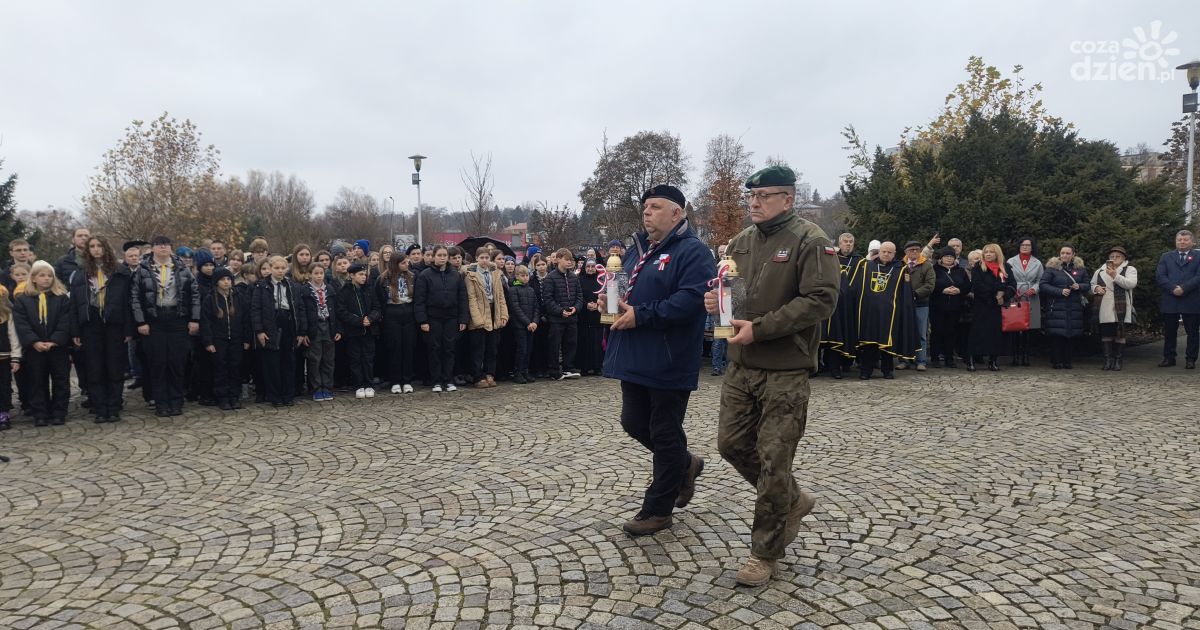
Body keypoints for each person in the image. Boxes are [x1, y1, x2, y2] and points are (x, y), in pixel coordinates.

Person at [704, 165, 840, 586]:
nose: (755, 203)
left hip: (786, 367)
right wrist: (719, 302)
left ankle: (764, 552)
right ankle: (793, 500)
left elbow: (821, 300)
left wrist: (760, 328)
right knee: (730, 444)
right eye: (751, 196)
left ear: (788, 198)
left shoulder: (811, 241)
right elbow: (736, 292)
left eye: (764, 196)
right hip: (742, 364)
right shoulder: (741, 242)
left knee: (773, 460)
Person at [604, 184, 715, 537]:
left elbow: (692, 300)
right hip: (635, 353)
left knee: (665, 434)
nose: (647, 213)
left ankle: (658, 509)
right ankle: (687, 463)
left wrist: (642, 314)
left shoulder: (694, 252)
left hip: (669, 357)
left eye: (655, 207)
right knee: (633, 422)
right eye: (645, 208)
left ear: (677, 213)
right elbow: (628, 291)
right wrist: (610, 303)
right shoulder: (638, 250)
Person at [131, 235, 201, 417]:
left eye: (166, 245)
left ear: (171, 248)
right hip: (154, 320)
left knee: (177, 362)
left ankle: (176, 401)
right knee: (158, 362)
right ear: (153, 248)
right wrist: (141, 321)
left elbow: (194, 295)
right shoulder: (142, 269)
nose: (163, 247)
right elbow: (135, 297)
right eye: (159, 245)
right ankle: (161, 403)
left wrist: (194, 319)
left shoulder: (182, 268)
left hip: (178, 318)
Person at [70, 236, 134, 423]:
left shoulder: (120, 272)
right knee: (94, 367)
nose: (96, 249)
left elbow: (129, 303)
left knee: (114, 367)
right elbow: (74, 305)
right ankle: (100, 407)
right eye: (92, 246)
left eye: (99, 246)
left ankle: (113, 407)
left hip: (114, 324)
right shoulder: (80, 274)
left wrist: (128, 329)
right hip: (91, 324)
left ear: (106, 248)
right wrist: (75, 331)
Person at [13, 260, 73, 426]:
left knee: (61, 380)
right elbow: (22, 324)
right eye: (42, 275)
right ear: (33, 278)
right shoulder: (23, 300)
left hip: (57, 348)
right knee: (37, 381)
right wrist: (34, 341)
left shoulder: (61, 298)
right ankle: (40, 413)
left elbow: (65, 321)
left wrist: (55, 340)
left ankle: (59, 412)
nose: (46, 279)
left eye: (49, 276)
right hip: (34, 349)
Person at [849, 241, 918, 379]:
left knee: (887, 344)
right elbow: (857, 288)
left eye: (889, 252)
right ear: (879, 252)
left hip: (890, 314)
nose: (886, 254)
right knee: (868, 343)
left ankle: (887, 370)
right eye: (884, 251)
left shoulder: (900, 269)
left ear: (894, 254)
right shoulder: (867, 266)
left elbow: (905, 294)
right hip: (869, 313)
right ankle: (866, 371)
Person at [251, 255, 310, 407]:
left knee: (288, 362)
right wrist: (259, 330)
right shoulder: (261, 286)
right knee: (272, 363)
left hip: (289, 324)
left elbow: (300, 309)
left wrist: (301, 332)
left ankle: (288, 395)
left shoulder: (292, 286)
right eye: (276, 268)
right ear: (270, 269)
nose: (280, 271)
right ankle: (275, 396)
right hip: (271, 325)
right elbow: (256, 309)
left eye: (283, 268)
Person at [414, 246, 468, 393]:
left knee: (450, 349)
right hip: (433, 318)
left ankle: (448, 379)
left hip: (452, 317)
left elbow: (462, 298)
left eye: (445, 255)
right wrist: (422, 321)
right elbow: (419, 300)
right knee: (435, 349)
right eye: (439, 255)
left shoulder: (456, 275)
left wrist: (463, 319)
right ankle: (436, 380)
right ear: (433, 257)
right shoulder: (425, 275)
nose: (442, 258)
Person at [200, 267, 249, 410]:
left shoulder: (238, 297)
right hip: (218, 339)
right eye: (223, 279)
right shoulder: (210, 298)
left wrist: (246, 339)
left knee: (235, 367)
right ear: (216, 282)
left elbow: (246, 319)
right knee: (220, 368)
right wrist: (208, 341)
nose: (226, 282)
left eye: (228, 279)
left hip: (236, 338)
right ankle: (222, 397)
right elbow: (206, 321)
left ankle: (234, 396)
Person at [463, 248, 509, 388]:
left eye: (486, 258)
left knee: (492, 347)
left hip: (494, 310)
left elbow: (500, 296)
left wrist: (503, 314)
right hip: (479, 312)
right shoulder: (471, 275)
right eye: (482, 257)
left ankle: (490, 373)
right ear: (476, 258)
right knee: (478, 348)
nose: (484, 260)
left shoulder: (495, 273)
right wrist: (477, 319)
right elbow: (471, 298)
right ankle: (478, 376)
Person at [966, 244, 1016, 372]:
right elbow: (977, 285)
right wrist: (995, 295)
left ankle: (992, 360)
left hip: (998, 307)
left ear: (997, 254)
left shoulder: (1005, 267)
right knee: (977, 333)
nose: (988, 254)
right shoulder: (978, 268)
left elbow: (1012, 284)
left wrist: (1004, 294)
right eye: (986, 252)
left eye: (991, 252)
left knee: (995, 334)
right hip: (983, 305)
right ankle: (971, 360)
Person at [1155, 229, 1200, 368]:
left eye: (1185, 240)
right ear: (1175, 241)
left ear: (1192, 242)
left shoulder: (1198, 256)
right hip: (1171, 298)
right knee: (1169, 331)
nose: (1182, 242)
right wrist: (1173, 288)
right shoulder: (1166, 257)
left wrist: (1184, 288)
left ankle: (1190, 359)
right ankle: (1169, 358)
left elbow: (1198, 277)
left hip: (1191, 299)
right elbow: (1160, 276)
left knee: (1192, 332)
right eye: (1179, 239)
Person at [1040, 246, 1090, 370]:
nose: (1065, 255)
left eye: (1068, 253)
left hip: (1074, 306)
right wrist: (1059, 291)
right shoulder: (1052, 268)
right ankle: (1056, 361)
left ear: (1073, 255)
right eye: (1062, 253)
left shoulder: (1081, 269)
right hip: (1056, 306)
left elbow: (1088, 285)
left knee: (1070, 335)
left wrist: (1079, 286)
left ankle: (1067, 361)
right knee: (1056, 335)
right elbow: (1043, 285)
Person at [819, 233, 861, 378]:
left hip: (846, 305)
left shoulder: (860, 262)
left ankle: (836, 366)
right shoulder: (830, 258)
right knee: (820, 335)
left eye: (850, 242)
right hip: (826, 302)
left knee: (838, 335)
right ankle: (817, 366)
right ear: (839, 243)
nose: (848, 244)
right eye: (845, 241)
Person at [1091, 246, 1137, 371]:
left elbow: (1130, 284)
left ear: (1123, 258)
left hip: (1121, 306)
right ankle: (1107, 360)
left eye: (1118, 256)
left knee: (1120, 333)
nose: (1115, 258)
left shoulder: (1129, 269)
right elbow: (1092, 284)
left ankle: (1118, 360)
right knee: (1106, 333)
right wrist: (1096, 288)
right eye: (1112, 256)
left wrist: (1115, 275)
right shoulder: (1100, 270)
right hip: (1105, 305)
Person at [337, 262, 380, 398]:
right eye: (360, 274)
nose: (364, 277)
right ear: (352, 275)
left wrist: (370, 318)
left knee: (368, 358)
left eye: (365, 274)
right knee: (355, 358)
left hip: (369, 330)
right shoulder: (344, 291)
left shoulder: (369, 289)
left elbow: (377, 308)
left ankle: (369, 384)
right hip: (353, 331)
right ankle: (358, 385)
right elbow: (342, 312)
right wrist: (358, 321)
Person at [376, 253, 416, 394]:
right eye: (403, 263)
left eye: (407, 262)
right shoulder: (383, 279)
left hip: (408, 312)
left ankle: (407, 380)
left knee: (408, 347)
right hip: (392, 313)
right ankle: (395, 381)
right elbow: (379, 299)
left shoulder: (412, 277)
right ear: (395, 264)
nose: (407, 264)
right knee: (395, 348)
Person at [302, 262, 340, 401]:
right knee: (315, 359)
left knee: (328, 359)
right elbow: (303, 312)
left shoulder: (329, 289)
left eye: (321, 273)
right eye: (316, 273)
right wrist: (304, 332)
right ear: (309, 275)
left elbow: (336, 310)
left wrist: (338, 329)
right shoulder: (305, 291)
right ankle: (316, 388)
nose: (319, 276)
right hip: (314, 326)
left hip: (328, 325)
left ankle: (327, 387)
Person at [543, 248, 583, 380]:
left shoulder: (574, 277)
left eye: (570, 260)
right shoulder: (550, 278)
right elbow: (548, 299)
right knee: (554, 345)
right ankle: (554, 370)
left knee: (571, 343)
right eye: (566, 259)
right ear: (558, 259)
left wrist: (576, 308)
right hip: (557, 319)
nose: (569, 262)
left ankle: (568, 367)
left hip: (572, 318)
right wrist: (560, 311)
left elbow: (579, 296)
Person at [930, 247, 972, 368]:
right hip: (937, 306)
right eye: (946, 256)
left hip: (955, 306)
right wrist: (942, 290)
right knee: (937, 332)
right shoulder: (934, 269)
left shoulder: (960, 271)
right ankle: (935, 358)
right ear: (941, 258)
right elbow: (930, 284)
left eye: (951, 256)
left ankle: (949, 358)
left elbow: (968, 285)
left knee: (951, 332)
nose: (949, 258)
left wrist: (959, 290)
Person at [897, 240, 934, 371]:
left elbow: (930, 285)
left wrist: (914, 294)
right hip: (902, 304)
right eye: (911, 249)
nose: (914, 252)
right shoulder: (899, 265)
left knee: (921, 334)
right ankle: (904, 360)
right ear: (905, 252)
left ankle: (921, 361)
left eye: (917, 249)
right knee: (903, 332)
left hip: (921, 304)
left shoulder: (927, 265)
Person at [1006, 237, 1043, 366]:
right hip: (1015, 295)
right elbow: (1006, 278)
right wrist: (1012, 289)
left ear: (1032, 247)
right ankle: (1015, 356)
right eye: (1023, 245)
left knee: (1028, 327)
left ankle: (1026, 356)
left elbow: (1041, 280)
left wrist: (1034, 289)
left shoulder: (1037, 263)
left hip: (1031, 296)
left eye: (1028, 245)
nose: (1025, 247)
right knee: (1014, 326)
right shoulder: (1011, 261)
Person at [505, 265, 539, 384]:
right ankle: (518, 372)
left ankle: (525, 370)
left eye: (527, 275)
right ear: (517, 276)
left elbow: (536, 307)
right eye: (522, 275)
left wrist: (535, 321)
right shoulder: (513, 290)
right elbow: (516, 308)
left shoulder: (531, 290)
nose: (525, 278)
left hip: (531, 325)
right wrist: (527, 322)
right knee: (522, 349)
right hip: (520, 325)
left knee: (529, 349)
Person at [576, 256, 604, 376]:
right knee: (584, 341)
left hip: (597, 314)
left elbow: (604, 294)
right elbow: (578, 295)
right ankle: (584, 367)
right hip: (584, 314)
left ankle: (598, 367)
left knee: (597, 341)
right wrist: (586, 304)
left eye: (593, 266)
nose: (591, 269)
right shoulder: (579, 279)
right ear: (584, 267)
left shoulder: (601, 280)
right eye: (588, 266)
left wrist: (598, 305)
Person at [0, 285, 19, 430]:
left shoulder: (7, 315)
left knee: (4, 386)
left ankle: (3, 412)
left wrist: (15, 357)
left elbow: (13, 336)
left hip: (3, 356)